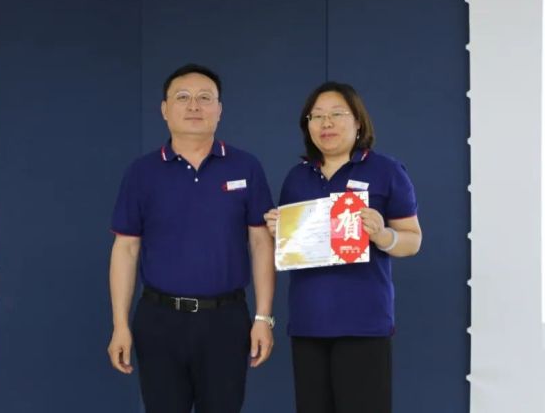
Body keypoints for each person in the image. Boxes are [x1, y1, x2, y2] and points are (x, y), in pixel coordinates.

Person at [107, 64, 276, 413]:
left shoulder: (245, 167)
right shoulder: (142, 172)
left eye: (205, 98)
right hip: (159, 319)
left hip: (226, 319)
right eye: (183, 97)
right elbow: (126, 249)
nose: (194, 106)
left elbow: (262, 244)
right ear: (164, 109)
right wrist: (120, 325)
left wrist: (263, 318)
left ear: (220, 109)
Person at [264, 82, 422, 413]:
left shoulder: (386, 170)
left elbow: (412, 239)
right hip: (308, 322)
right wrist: (279, 231)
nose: (327, 123)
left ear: (358, 121)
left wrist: (383, 236)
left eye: (337, 114)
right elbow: (293, 247)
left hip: (363, 323)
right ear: (307, 125)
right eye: (317, 116)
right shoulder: (297, 177)